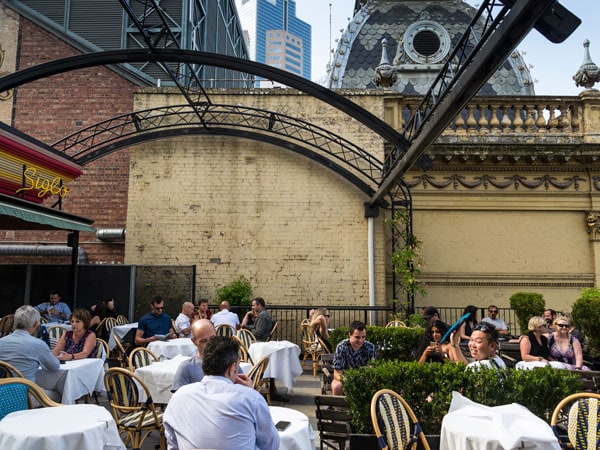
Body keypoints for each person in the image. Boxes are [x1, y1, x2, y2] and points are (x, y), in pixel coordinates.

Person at [164, 336, 280, 450]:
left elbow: (173, 444)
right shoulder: (251, 398)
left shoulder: (179, 396)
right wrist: (250, 393)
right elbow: (271, 445)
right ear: (233, 367)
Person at [0, 305, 60, 381]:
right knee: (56, 392)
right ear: (35, 324)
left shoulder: (1, 342)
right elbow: (54, 367)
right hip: (24, 391)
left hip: (2, 389)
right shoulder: (38, 344)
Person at [331, 320, 376, 396]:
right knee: (337, 386)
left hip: (363, 378)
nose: (361, 340)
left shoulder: (370, 347)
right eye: (357, 337)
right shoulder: (342, 347)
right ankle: (338, 407)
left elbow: (371, 368)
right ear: (350, 335)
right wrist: (347, 381)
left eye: (363, 337)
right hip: (345, 378)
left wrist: (361, 379)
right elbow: (337, 373)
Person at [172, 319, 216, 391]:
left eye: (212, 338)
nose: (210, 344)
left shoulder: (230, 364)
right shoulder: (186, 368)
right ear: (194, 341)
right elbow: (179, 399)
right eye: (203, 341)